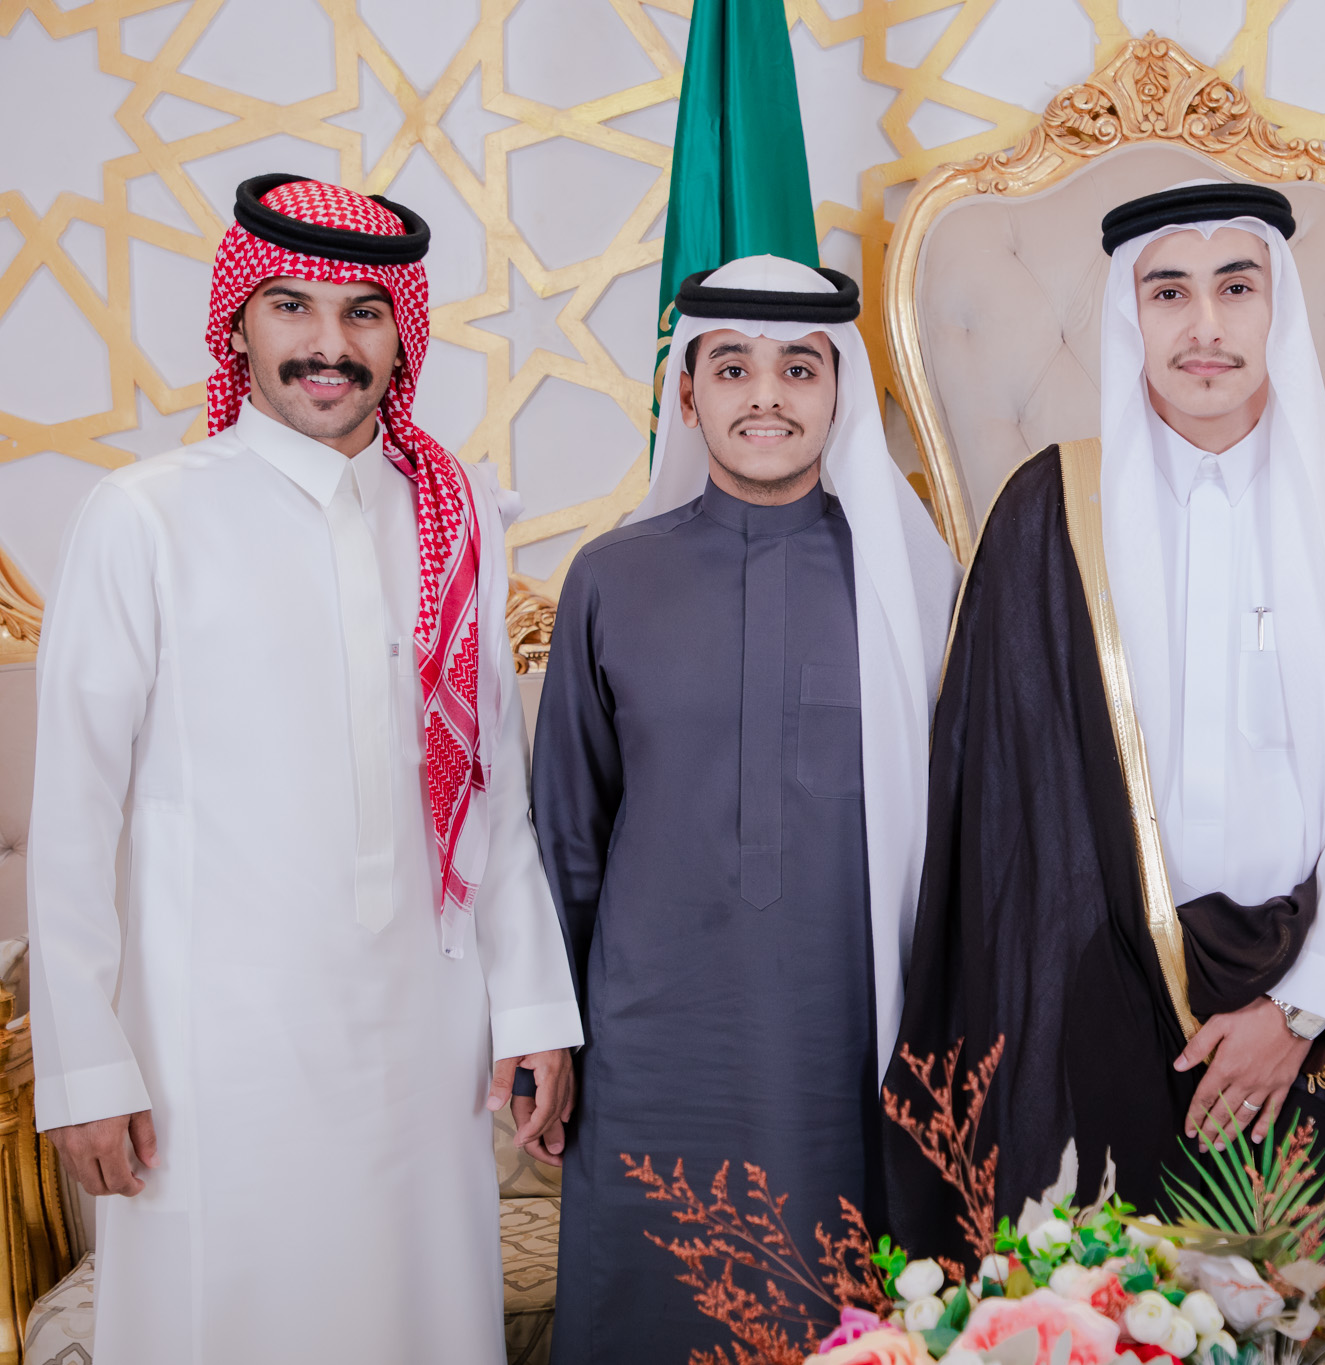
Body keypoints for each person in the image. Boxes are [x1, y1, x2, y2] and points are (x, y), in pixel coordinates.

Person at [27, 174, 583, 1365]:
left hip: (424, 1039)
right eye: (292, 307)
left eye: (362, 313)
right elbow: (73, 815)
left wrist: (535, 1008)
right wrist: (83, 1067)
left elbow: (493, 790)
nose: (328, 344)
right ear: (238, 326)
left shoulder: (453, 520)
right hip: (216, 1050)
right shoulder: (144, 517)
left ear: (401, 336)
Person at [885, 181, 1325, 1270]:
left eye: (1235, 288)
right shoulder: (1048, 513)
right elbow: (1011, 821)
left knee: (1318, 1319)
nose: (1204, 326)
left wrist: (1299, 1012)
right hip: (1096, 1005)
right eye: (1168, 292)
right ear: (1128, 313)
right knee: (1105, 1310)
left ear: (1276, 307)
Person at [531, 255, 960, 1361]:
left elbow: (965, 842)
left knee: (840, 1311)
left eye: (798, 368)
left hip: (849, 1034)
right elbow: (566, 831)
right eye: (731, 368)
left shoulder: (915, 589)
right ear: (687, 395)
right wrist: (547, 1031)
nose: (766, 396)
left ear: (840, 391)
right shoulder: (610, 578)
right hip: (648, 1039)